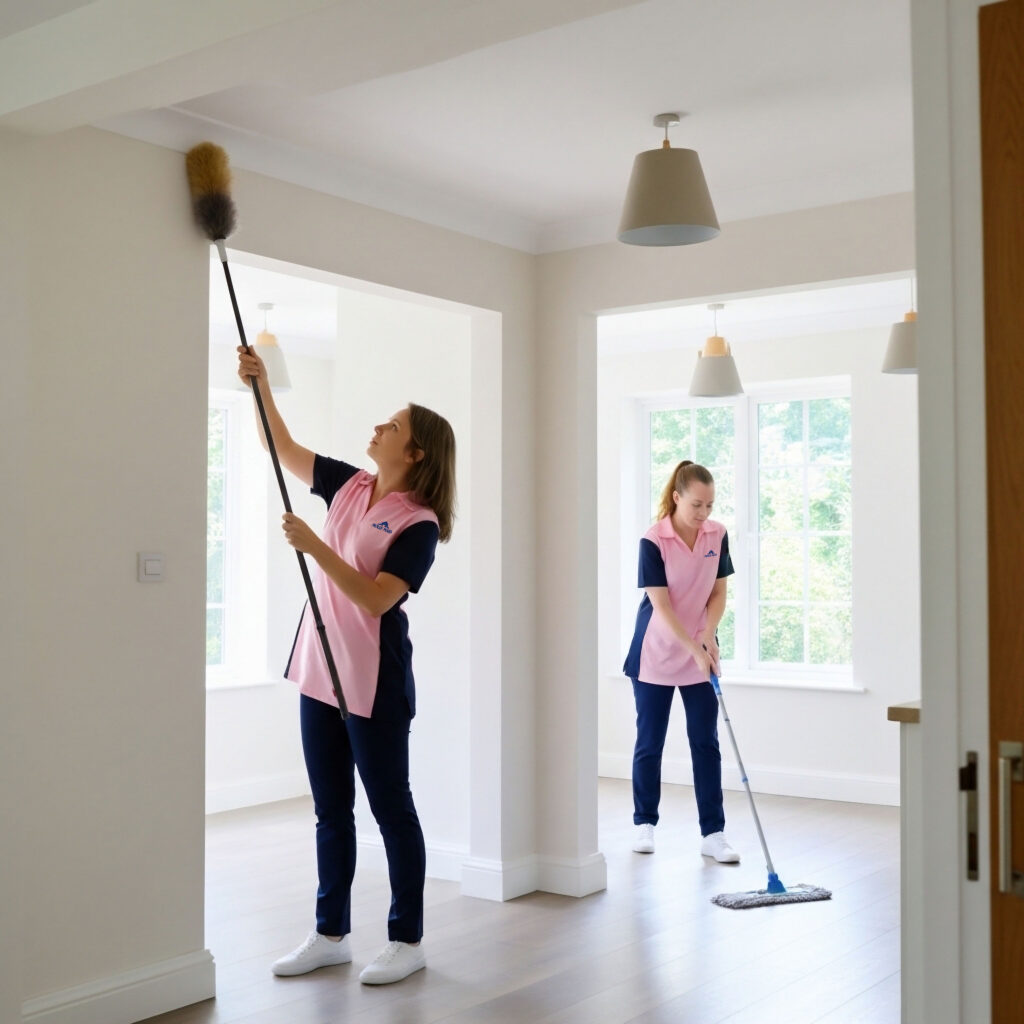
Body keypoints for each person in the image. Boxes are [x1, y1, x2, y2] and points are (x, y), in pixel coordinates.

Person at [235, 346, 456, 985]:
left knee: (391, 808)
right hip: (318, 668)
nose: (379, 429)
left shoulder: (419, 523)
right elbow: (282, 444)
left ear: (414, 453)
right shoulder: (349, 483)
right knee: (331, 809)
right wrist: (261, 385)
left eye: (392, 426)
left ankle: (406, 939)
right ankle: (330, 932)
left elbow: (378, 596)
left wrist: (313, 547)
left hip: (374, 680)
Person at [622, 460, 739, 863]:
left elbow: (718, 594)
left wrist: (707, 636)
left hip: (700, 647)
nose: (704, 513)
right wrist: (693, 647)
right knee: (649, 741)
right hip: (655, 651)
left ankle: (714, 833)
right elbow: (661, 604)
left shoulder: (717, 534)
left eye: (709, 505)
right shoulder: (654, 540)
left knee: (705, 742)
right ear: (676, 497)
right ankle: (645, 824)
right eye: (696, 505)